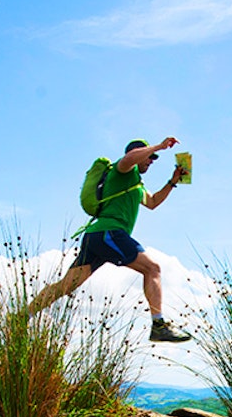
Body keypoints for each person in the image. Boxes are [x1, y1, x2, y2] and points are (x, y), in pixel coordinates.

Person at [28, 137, 192, 342]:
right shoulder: (122, 170)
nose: (151, 161)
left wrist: (172, 181)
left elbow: (153, 202)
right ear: (139, 153)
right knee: (152, 269)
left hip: (98, 237)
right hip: (110, 233)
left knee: (66, 286)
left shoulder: (136, 184)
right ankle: (158, 325)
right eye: (149, 157)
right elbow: (129, 158)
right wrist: (159, 146)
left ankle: (22, 316)